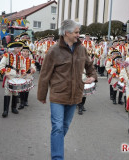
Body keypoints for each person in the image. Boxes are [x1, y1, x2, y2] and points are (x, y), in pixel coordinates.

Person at [37, 19, 97, 160]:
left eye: (78, 32)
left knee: (65, 125)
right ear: (66, 33)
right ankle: (57, 156)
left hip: (76, 94)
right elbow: (45, 74)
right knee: (57, 126)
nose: (78, 35)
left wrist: (93, 76)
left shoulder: (81, 49)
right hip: (58, 95)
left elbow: (89, 66)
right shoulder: (53, 51)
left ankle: (56, 143)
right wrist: (42, 95)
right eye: (76, 32)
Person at [0, 41, 25, 118]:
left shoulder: (21, 57)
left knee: (15, 92)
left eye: (19, 48)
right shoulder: (7, 55)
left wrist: (22, 73)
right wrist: (5, 73)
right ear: (13, 48)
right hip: (9, 76)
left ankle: (14, 108)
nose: (19, 49)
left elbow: (23, 67)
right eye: (17, 48)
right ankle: (5, 110)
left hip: (17, 77)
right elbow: (1, 66)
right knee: (7, 92)